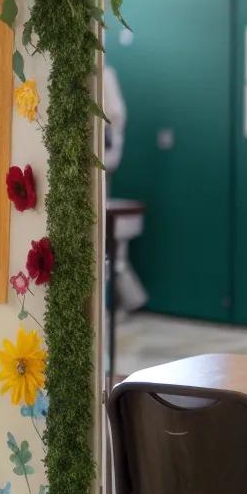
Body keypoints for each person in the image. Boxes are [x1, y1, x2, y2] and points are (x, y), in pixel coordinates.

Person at [103, 64, 146, 313]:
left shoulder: (105, 74)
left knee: (114, 258)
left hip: (103, 164)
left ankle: (131, 301)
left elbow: (115, 115)